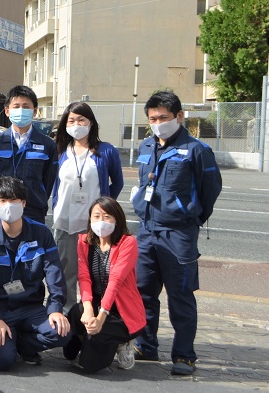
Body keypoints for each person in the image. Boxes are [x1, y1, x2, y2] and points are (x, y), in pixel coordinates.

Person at [131, 90, 222, 376]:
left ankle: (184, 355)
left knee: (181, 295)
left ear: (179, 117)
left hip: (179, 234)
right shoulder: (146, 146)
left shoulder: (197, 150)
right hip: (147, 231)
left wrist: (192, 215)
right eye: (153, 118)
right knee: (144, 291)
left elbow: (211, 189)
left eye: (164, 117)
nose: (158, 123)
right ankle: (146, 346)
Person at [0, 176, 71, 370]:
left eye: (14, 200)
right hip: (1, 309)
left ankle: (24, 344)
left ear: (24, 203)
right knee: (3, 361)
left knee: (62, 332)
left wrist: (55, 309)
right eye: (3, 200)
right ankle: (7, 340)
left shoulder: (41, 234)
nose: (8, 205)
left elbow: (55, 275)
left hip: (30, 307)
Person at [50, 102, 124, 311]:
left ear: (91, 122)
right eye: (71, 120)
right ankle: (69, 318)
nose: (76, 124)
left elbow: (117, 182)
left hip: (94, 227)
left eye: (81, 119)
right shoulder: (60, 151)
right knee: (67, 273)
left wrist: (105, 209)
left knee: (95, 273)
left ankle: (96, 317)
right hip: (65, 223)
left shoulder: (106, 151)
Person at [63, 196, 145, 373]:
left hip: (121, 313)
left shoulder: (127, 243)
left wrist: (100, 318)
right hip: (96, 306)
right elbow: (84, 278)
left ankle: (123, 342)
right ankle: (90, 340)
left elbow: (115, 281)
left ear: (117, 219)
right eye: (97, 216)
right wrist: (88, 309)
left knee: (89, 365)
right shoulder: (84, 242)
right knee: (75, 315)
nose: (101, 221)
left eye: (107, 216)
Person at [0, 85, 58, 223]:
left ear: (35, 111)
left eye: (26, 106)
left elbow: (48, 182)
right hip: (3, 210)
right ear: (7, 111)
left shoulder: (47, 145)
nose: (21, 110)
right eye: (16, 106)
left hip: (33, 211)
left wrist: (37, 198)